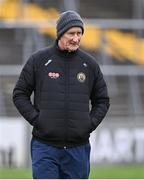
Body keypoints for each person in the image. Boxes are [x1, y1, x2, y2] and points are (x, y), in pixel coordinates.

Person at [13, 10, 110, 179]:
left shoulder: (90, 65)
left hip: (78, 149)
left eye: (79, 33)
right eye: (71, 33)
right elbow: (19, 94)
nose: (76, 38)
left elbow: (102, 100)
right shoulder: (38, 60)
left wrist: (89, 123)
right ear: (60, 34)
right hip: (45, 147)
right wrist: (38, 120)